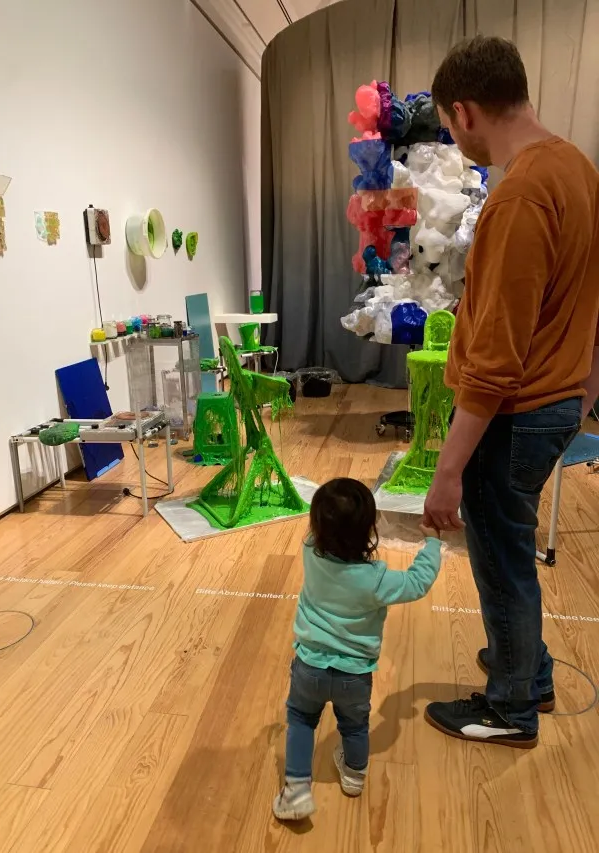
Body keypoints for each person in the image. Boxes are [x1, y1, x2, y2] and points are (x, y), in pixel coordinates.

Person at [422, 35, 599, 748]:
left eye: (447, 125)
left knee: (500, 562)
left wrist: (446, 471)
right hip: (555, 400)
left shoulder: (519, 194)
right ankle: (530, 674)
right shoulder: (576, 168)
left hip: (519, 411)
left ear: (464, 112)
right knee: (512, 552)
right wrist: (585, 391)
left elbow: (494, 360)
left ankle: (510, 709)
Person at [273, 478, 442, 821]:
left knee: (302, 720)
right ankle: (353, 776)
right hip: (355, 674)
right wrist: (433, 543)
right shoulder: (377, 580)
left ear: (316, 526)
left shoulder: (310, 552)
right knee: (354, 726)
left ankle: (296, 791)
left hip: (309, 666)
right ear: (369, 529)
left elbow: (321, 529)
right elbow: (417, 582)